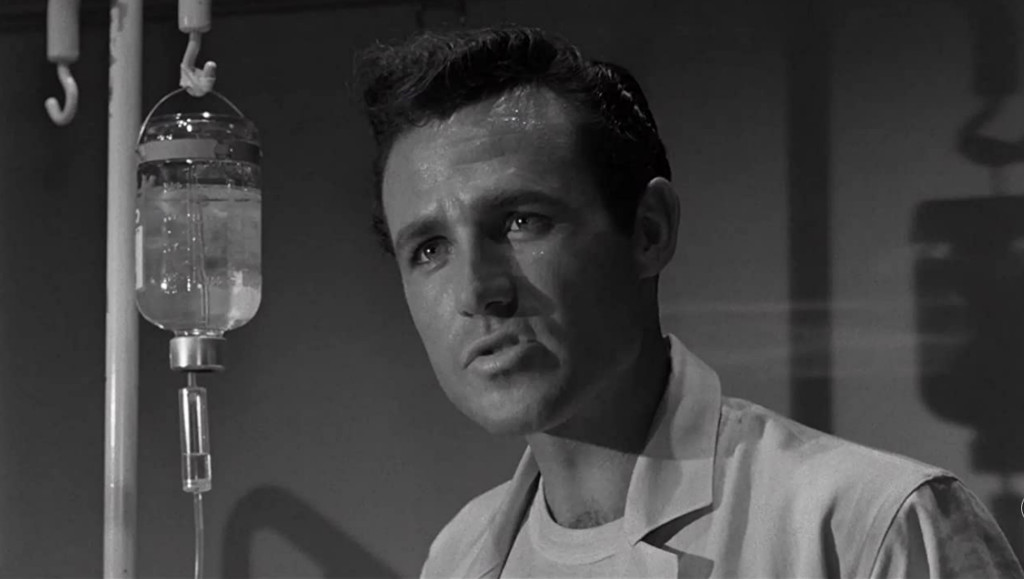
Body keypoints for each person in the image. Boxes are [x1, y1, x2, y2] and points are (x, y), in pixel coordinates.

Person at [354, 25, 1024, 578]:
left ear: (649, 231)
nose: (477, 290)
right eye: (429, 249)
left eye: (521, 221)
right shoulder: (458, 557)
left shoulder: (869, 527)